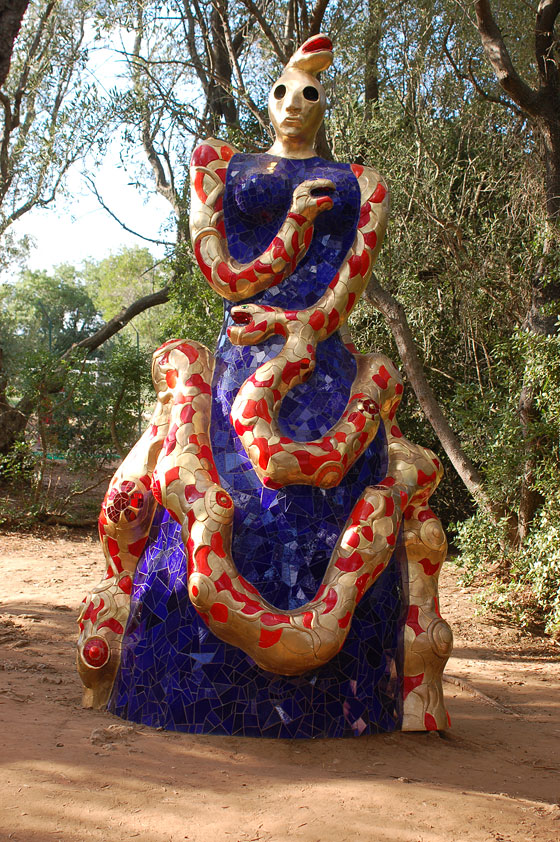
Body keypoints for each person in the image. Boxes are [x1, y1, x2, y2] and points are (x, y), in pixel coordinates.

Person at [77, 35, 453, 737]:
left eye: (308, 94)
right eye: (283, 92)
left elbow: (353, 282)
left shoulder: (364, 183)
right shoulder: (218, 163)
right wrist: (291, 229)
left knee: (324, 505)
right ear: (268, 98)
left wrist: (301, 328)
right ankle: (154, 665)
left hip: (321, 359)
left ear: (323, 103)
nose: (294, 105)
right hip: (241, 351)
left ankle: (366, 692)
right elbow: (220, 275)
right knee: (204, 500)